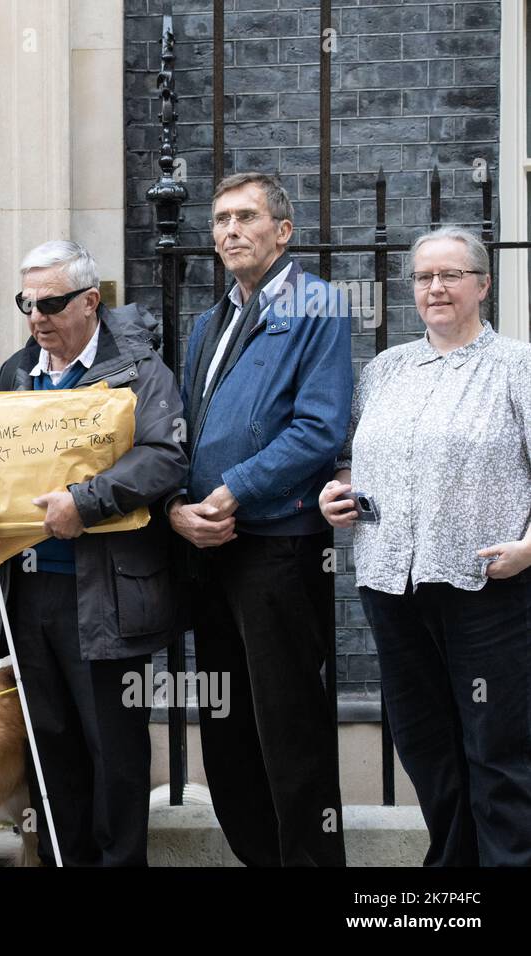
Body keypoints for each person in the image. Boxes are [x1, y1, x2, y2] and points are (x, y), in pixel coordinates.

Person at [0, 239, 187, 866]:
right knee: (49, 745)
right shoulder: (16, 372)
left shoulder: (140, 372)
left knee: (115, 749)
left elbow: (165, 456)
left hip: (106, 590)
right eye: (27, 302)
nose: (37, 316)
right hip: (27, 592)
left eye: (51, 303)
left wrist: (87, 500)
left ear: (91, 300)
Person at [320, 226, 531, 866]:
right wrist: (340, 492)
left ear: (483, 285)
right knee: (424, 742)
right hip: (392, 584)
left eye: (451, 275)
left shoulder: (517, 366)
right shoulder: (388, 369)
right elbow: (358, 463)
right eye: (423, 277)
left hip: (487, 585)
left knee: (497, 745)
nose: (435, 288)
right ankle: (451, 868)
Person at [170, 172, 351, 866]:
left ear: (284, 230)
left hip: (279, 549)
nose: (230, 231)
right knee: (229, 734)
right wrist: (179, 510)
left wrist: (235, 490)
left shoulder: (321, 307)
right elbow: (185, 431)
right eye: (220, 220)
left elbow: (318, 428)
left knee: (290, 733)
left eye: (247, 216)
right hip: (211, 549)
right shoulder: (209, 322)